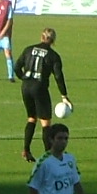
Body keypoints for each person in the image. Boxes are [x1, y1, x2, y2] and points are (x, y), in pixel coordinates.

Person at [17, 28, 72, 162]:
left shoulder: (28, 49)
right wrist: (64, 95)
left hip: (26, 87)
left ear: (41, 37)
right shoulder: (53, 56)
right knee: (45, 123)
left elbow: (16, 67)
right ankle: (49, 155)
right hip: (40, 88)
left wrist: (24, 78)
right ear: (53, 41)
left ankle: (26, 150)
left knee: (31, 118)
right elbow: (58, 76)